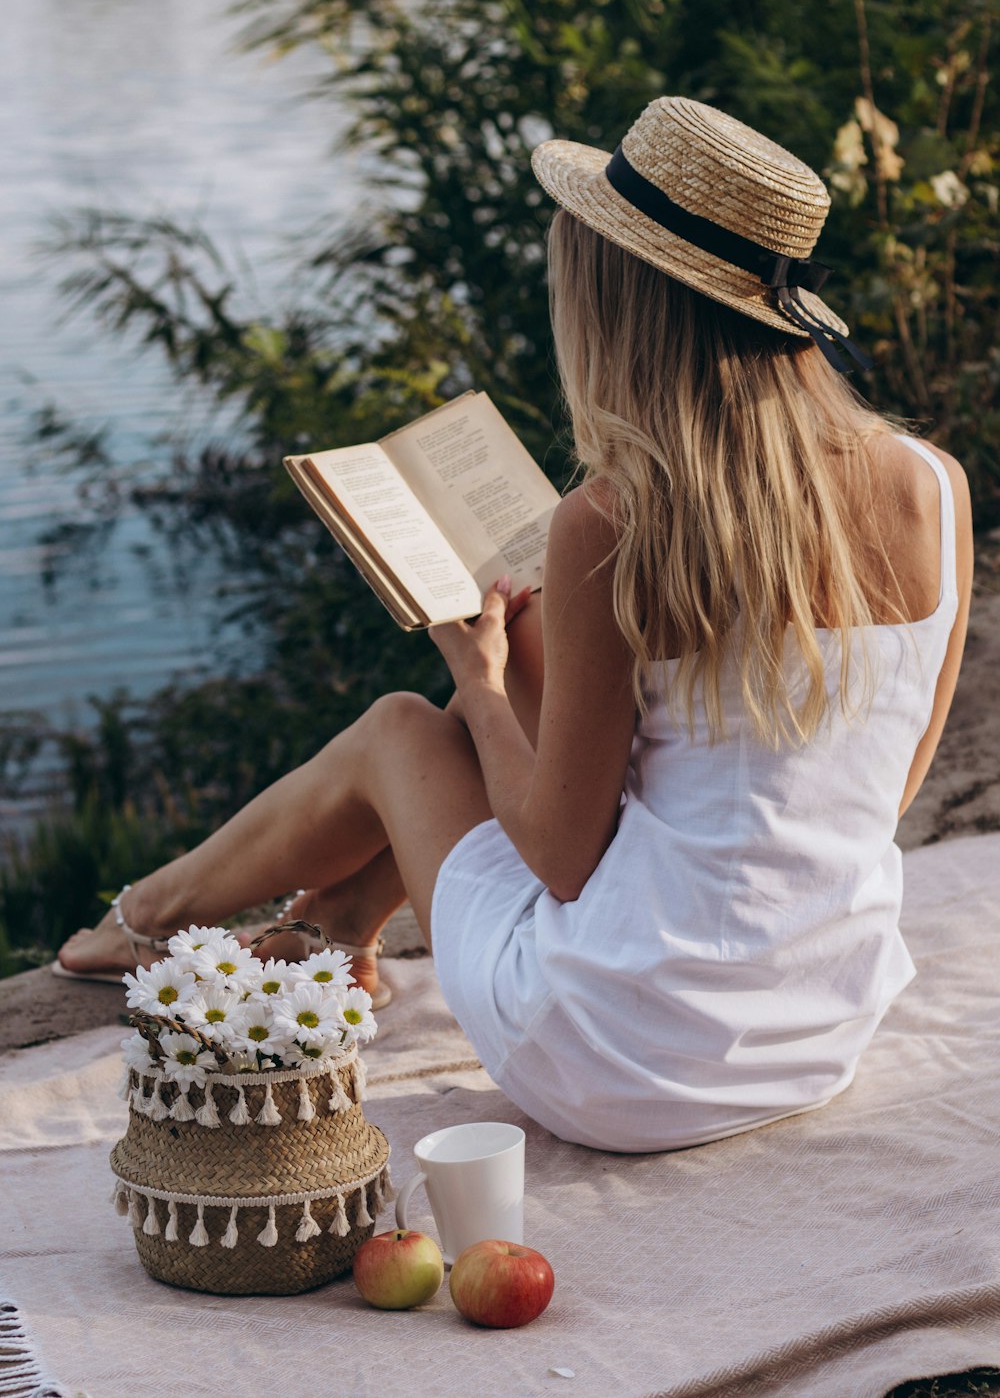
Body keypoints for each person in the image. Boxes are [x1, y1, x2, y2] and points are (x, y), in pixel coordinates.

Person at [55, 97, 972, 1153]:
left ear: (614, 297)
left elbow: (559, 861)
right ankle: (333, 920)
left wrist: (480, 674)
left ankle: (152, 918)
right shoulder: (935, 490)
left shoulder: (618, 522)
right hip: (818, 1032)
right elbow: (876, 791)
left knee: (410, 725)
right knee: (517, 699)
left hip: (617, 1056)